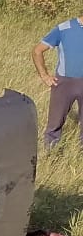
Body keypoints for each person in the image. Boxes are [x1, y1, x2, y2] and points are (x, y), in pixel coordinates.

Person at [32, 11, 83, 149]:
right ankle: (51, 155)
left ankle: (78, 162)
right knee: (55, 123)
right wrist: (44, 75)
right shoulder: (64, 28)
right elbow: (37, 50)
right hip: (65, 83)